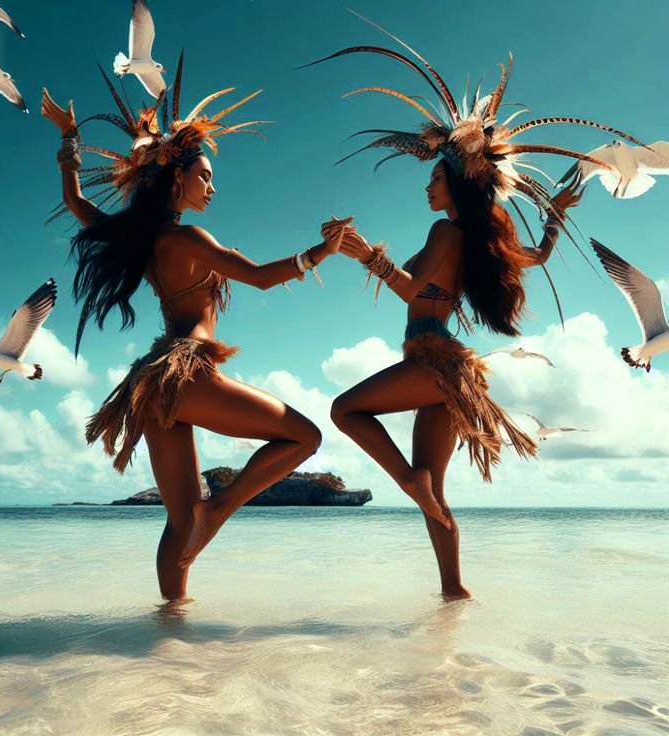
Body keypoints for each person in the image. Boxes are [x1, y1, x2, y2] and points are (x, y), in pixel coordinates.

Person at [310, 22, 640, 599]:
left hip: (431, 360)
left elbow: (414, 291)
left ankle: (407, 483)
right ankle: (454, 595)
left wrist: (366, 255)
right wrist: (554, 214)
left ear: (456, 184)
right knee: (436, 496)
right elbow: (534, 254)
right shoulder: (479, 241)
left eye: (435, 177)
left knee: (345, 411)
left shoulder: (446, 230)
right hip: (450, 372)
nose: (428, 187)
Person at [42, 59, 352, 602]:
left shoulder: (144, 240)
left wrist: (70, 141)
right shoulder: (188, 241)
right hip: (186, 373)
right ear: (175, 177)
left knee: (177, 519)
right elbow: (257, 278)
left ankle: (171, 622)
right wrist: (320, 252)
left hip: (154, 385)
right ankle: (220, 510)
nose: (211, 185)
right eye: (204, 175)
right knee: (305, 437)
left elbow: (77, 203)